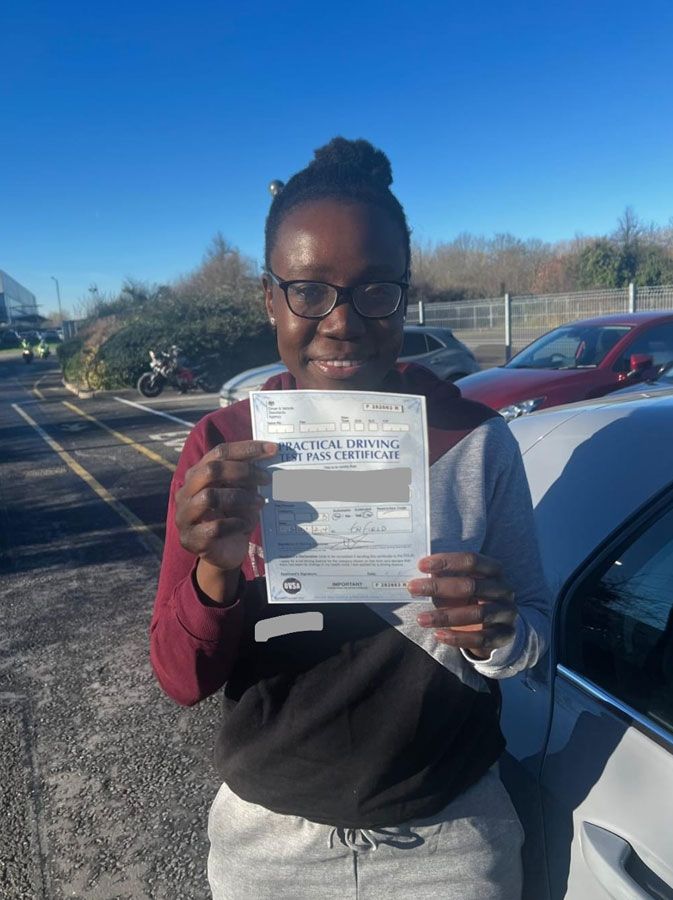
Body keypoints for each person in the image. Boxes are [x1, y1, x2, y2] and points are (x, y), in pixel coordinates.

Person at [150, 137, 550, 900]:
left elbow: (532, 642)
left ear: (404, 295)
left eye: (375, 291)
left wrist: (496, 635)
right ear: (270, 299)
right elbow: (180, 678)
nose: (341, 322)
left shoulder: (475, 440)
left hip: (450, 840)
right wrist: (214, 572)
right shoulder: (222, 446)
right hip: (269, 849)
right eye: (308, 290)